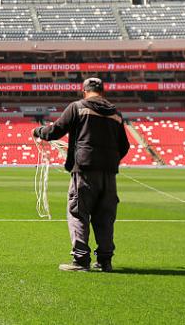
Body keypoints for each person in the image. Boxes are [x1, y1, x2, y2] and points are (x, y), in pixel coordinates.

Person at [33, 77, 130, 272]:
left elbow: (55, 131)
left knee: (78, 212)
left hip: (85, 170)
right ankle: (105, 261)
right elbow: (124, 146)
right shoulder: (116, 114)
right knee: (105, 216)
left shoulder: (78, 107)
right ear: (103, 92)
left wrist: (38, 131)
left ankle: (81, 260)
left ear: (84, 91)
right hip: (109, 173)